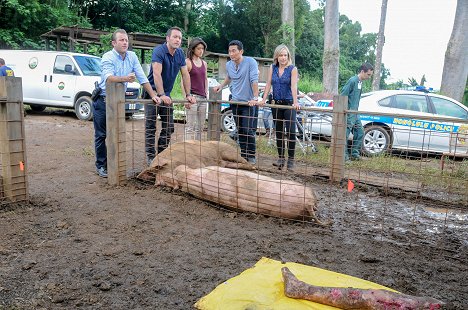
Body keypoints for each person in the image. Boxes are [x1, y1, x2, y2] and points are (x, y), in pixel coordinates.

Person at [93, 29, 160, 178]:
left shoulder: (132, 56)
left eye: (126, 40)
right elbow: (109, 78)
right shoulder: (107, 57)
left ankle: (114, 163)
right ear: (114, 43)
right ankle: (101, 165)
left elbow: (142, 78)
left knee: (117, 132)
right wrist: (126, 78)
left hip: (118, 101)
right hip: (103, 100)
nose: (125, 43)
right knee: (102, 134)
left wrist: (153, 95)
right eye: (121, 40)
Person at [145, 26, 196, 163]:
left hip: (166, 94)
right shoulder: (159, 51)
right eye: (175, 37)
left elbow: (185, 74)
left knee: (169, 127)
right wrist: (161, 94)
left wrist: (188, 94)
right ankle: (151, 156)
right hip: (152, 93)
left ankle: (161, 155)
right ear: (167, 38)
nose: (177, 40)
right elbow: (156, 73)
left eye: (179, 38)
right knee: (150, 126)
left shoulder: (180, 54)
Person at [213, 40, 259, 164]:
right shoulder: (229, 65)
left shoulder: (250, 62)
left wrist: (255, 98)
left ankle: (251, 155)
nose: (231, 54)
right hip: (235, 102)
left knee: (248, 129)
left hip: (248, 103)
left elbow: (254, 80)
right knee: (240, 130)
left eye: (234, 51)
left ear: (241, 51)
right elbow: (229, 77)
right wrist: (221, 86)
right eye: (229, 51)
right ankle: (244, 155)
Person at [260, 44, 299, 171]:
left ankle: (291, 160)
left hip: (288, 104)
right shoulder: (273, 67)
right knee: (279, 132)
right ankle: (281, 158)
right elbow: (268, 83)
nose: (283, 58)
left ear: (288, 56)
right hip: (276, 103)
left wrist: (295, 102)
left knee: (291, 132)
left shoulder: (292, 69)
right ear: (277, 56)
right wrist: (264, 99)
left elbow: (293, 86)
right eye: (281, 55)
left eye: (285, 55)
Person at [340, 62, 373, 162]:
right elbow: (343, 95)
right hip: (349, 113)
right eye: (368, 75)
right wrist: (345, 111)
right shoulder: (352, 81)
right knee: (344, 135)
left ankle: (354, 154)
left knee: (360, 132)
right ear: (362, 71)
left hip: (355, 113)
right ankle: (344, 157)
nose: (369, 77)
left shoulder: (360, 82)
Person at [181, 37, 208, 141]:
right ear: (193, 49)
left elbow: (205, 79)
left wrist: (206, 94)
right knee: (190, 127)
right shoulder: (187, 62)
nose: (201, 51)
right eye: (199, 48)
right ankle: (187, 150)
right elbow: (182, 81)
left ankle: (198, 149)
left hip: (203, 98)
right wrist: (185, 98)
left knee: (200, 128)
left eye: (202, 48)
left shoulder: (204, 63)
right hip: (192, 97)